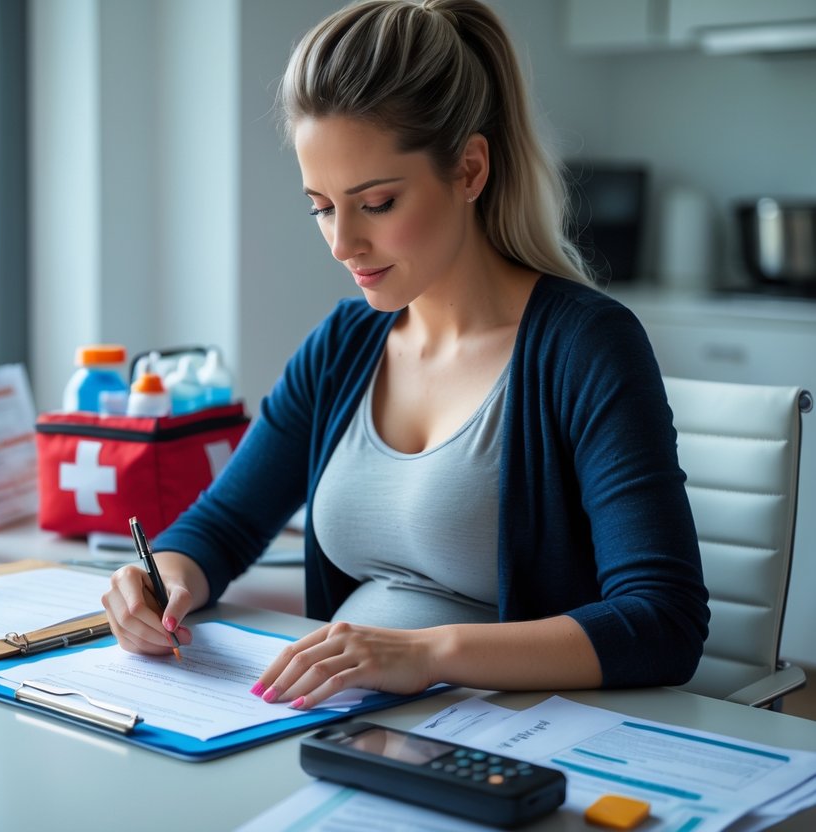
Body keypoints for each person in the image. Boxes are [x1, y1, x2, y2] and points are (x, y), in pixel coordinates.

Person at [102, 0, 709, 709]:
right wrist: (162, 578)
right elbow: (224, 525)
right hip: (343, 731)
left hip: (507, 742)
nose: (341, 243)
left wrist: (426, 654)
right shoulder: (345, 343)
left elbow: (662, 622)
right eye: (321, 206)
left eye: (377, 202)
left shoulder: (584, 345)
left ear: (469, 170)